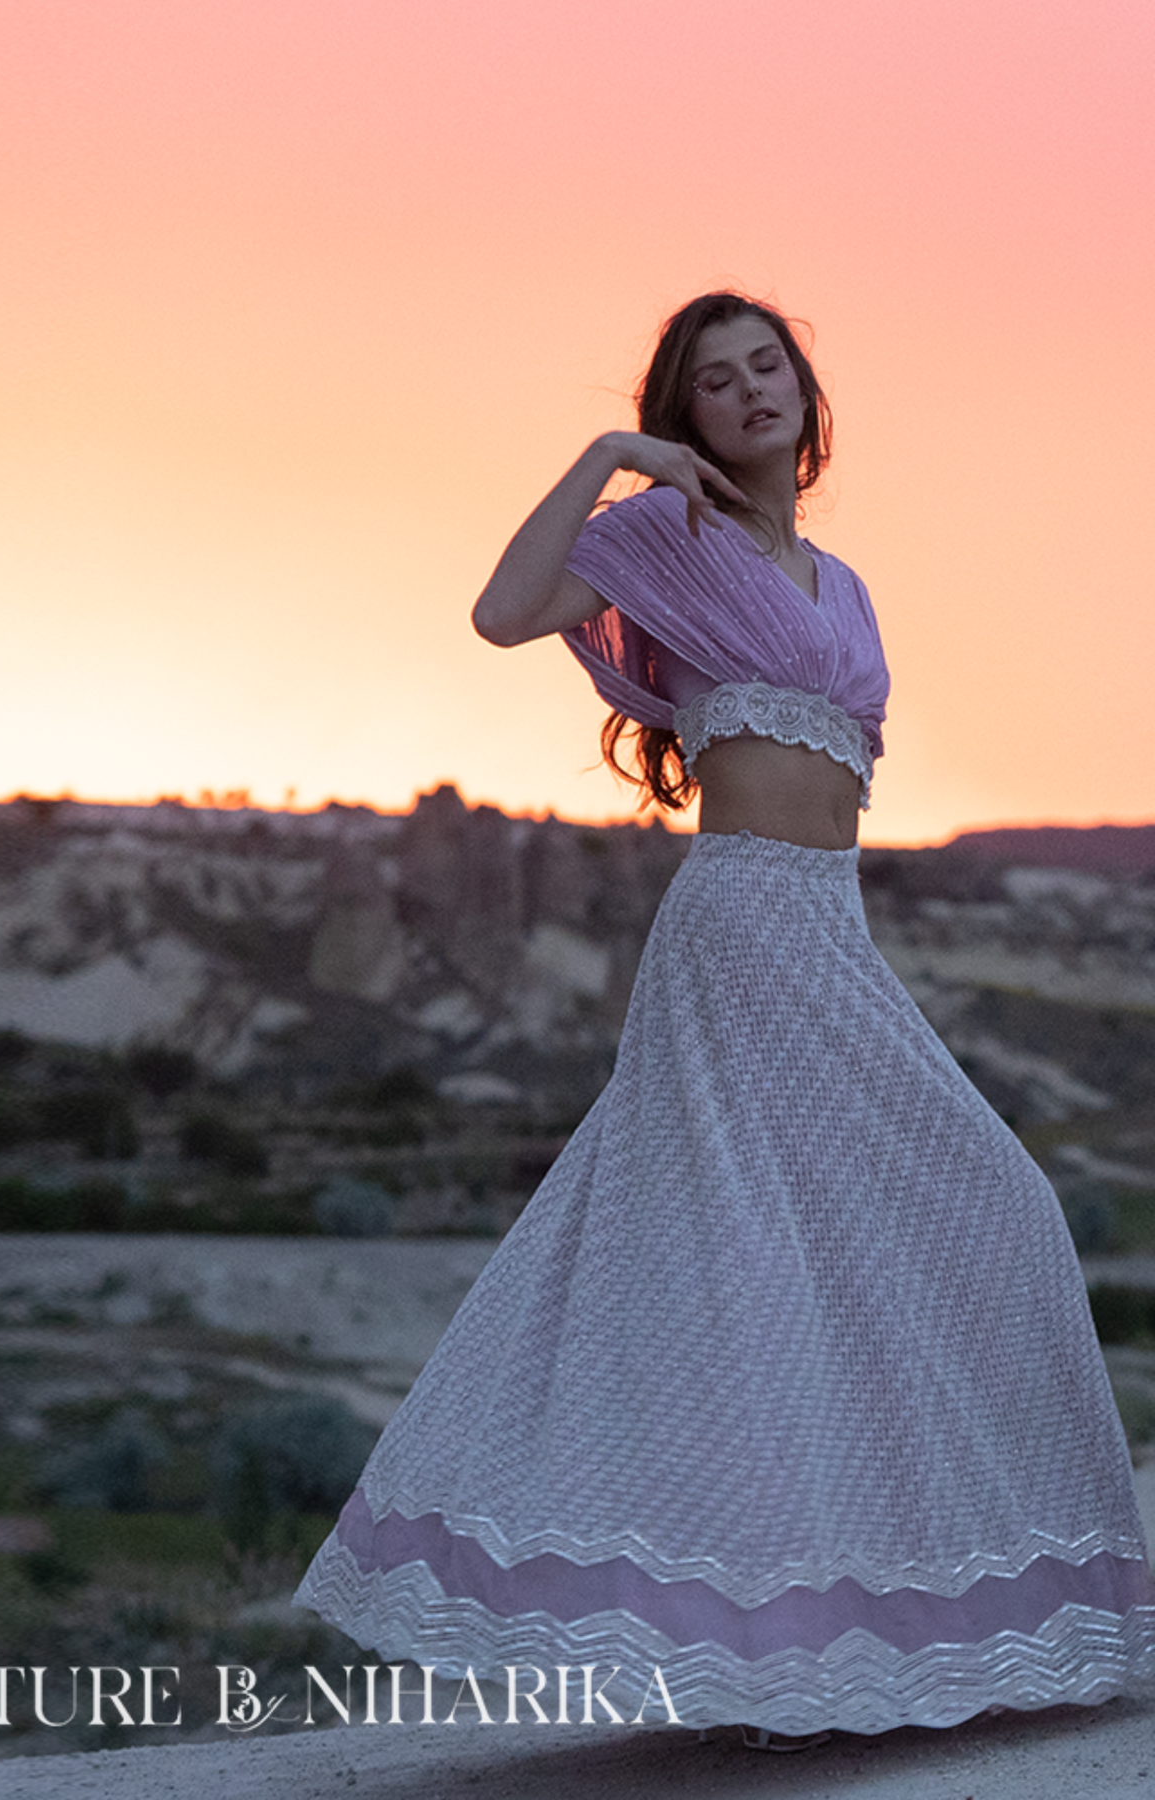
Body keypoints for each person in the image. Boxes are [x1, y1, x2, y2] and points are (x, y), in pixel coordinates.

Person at [296, 291, 1155, 1740]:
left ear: (808, 396)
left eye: (769, 368)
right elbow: (504, 613)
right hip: (742, 920)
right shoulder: (654, 537)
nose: (750, 393)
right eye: (714, 381)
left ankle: (934, 1616)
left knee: (984, 1211)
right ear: (683, 412)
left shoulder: (849, 584)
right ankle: (762, 1658)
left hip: (833, 928)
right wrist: (604, 455)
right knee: (754, 1260)